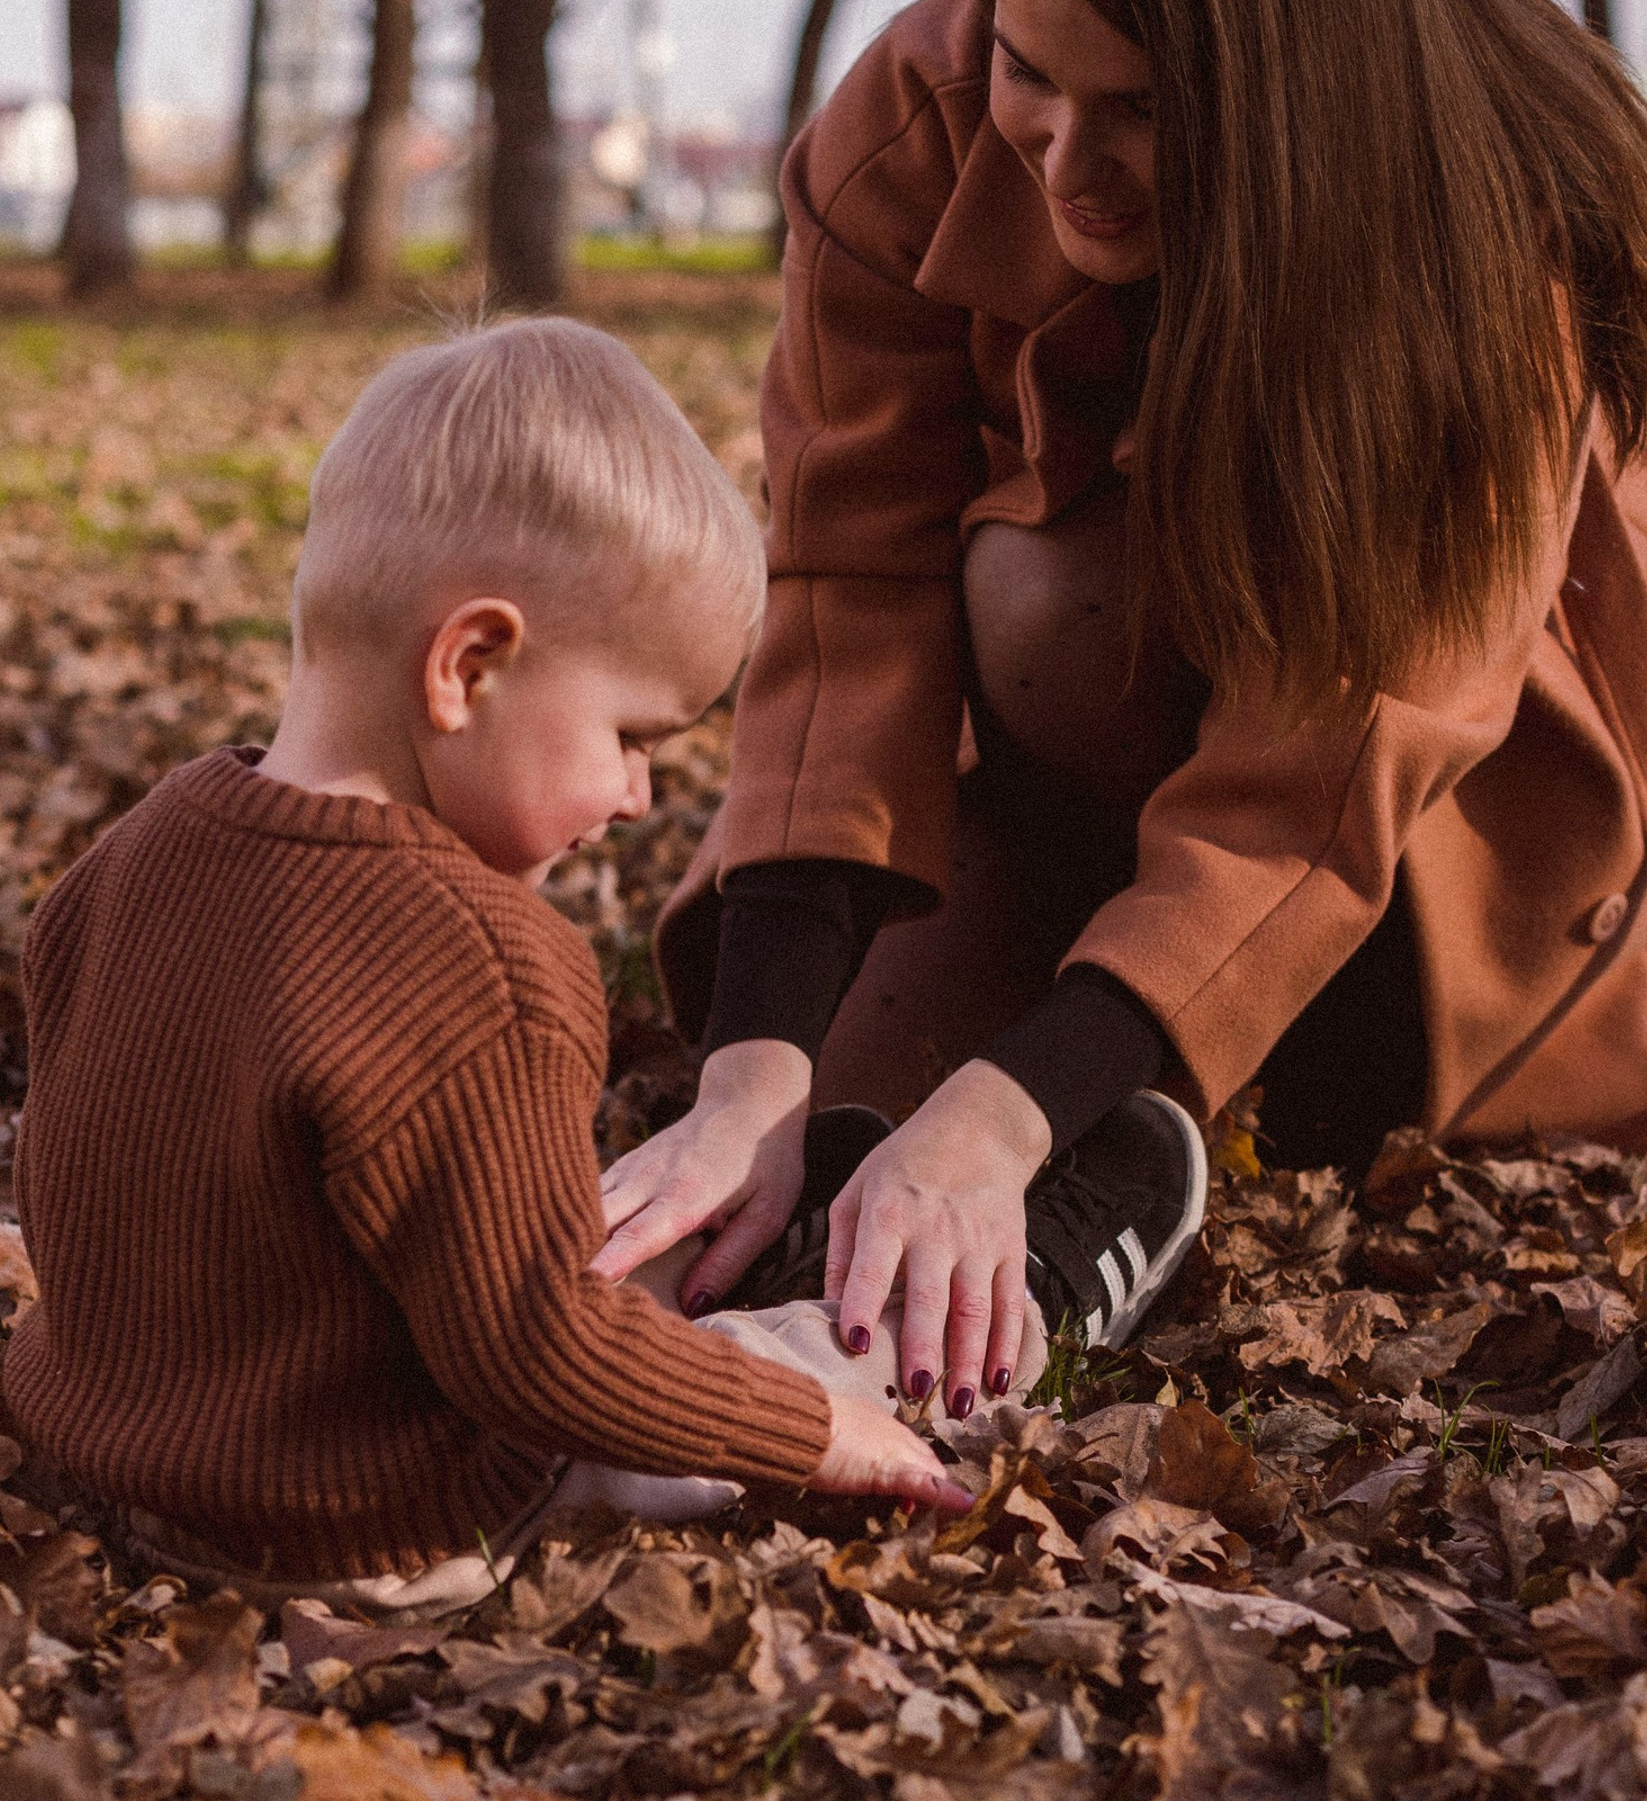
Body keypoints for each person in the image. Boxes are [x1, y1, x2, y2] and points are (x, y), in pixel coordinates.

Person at [594, 0, 1647, 1414]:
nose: (1066, 161)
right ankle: (1072, 1025)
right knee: (853, 1104)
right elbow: (852, 574)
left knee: (1053, 611)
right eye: (1028, 72)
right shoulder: (914, 121)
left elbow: (1331, 770)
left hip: (1434, 851)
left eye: (1145, 110)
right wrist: (751, 1069)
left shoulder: (1474, 223)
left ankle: (1195, 1080)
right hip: (1063, 773)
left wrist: (1009, 1109)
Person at [4, 319, 985, 1613]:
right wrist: (814, 1431)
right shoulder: (480, 965)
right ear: (470, 665)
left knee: (580, 1245)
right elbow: (537, 1354)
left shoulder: (134, 854)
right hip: (370, 1519)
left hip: (113, 1468)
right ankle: (973, 1311)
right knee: (819, 1361)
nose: (638, 797)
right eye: (631, 736)